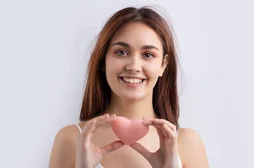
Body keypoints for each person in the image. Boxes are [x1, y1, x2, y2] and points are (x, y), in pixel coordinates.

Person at [49, 6, 209, 168]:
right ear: (103, 60)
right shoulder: (71, 139)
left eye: (148, 55)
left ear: (163, 64)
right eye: (121, 52)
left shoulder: (187, 143)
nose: (134, 66)